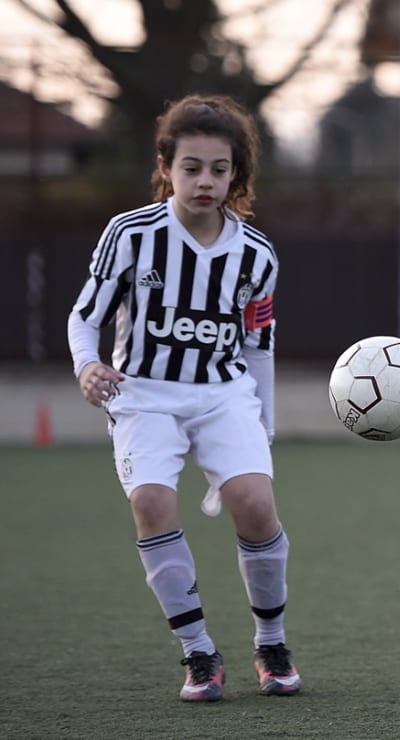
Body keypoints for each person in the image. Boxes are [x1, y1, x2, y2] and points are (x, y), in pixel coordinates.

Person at [67, 94, 300, 703]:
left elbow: (258, 346)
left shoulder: (257, 254)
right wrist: (88, 364)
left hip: (225, 394)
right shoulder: (131, 234)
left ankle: (271, 643)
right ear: (165, 165)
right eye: (191, 166)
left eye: (219, 169)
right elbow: (84, 317)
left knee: (254, 504)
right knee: (151, 504)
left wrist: (264, 425)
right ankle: (199, 654)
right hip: (143, 394)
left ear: (236, 174)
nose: (205, 180)